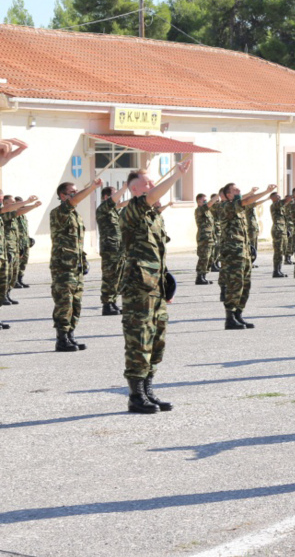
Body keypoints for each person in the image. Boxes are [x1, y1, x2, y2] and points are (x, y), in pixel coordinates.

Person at [121, 161, 191, 413]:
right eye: (147, 183)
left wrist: (166, 282)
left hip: (155, 288)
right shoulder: (131, 211)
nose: (152, 186)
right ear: (134, 189)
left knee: (157, 340)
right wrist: (177, 176)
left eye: (152, 182)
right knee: (139, 340)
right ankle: (135, 395)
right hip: (138, 289)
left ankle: (148, 390)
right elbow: (152, 196)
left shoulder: (154, 216)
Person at [51, 177, 101, 351]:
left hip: (76, 266)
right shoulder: (59, 212)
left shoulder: (75, 215)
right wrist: (92, 187)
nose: (75, 194)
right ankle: (61, 339)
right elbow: (75, 200)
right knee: (64, 303)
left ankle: (71, 335)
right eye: (71, 192)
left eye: (75, 191)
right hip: (62, 267)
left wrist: (83, 260)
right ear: (62, 196)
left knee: (75, 303)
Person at [220, 183, 277, 330]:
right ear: (228, 195)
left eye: (239, 189)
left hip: (243, 253)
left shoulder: (239, 209)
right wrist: (266, 191)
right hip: (233, 254)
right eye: (235, 190)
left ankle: (238, 314)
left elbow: (248, 202)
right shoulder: (227, 206)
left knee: (245, 285)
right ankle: (230, 318)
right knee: (235, 285)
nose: (239, 191)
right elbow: (245, 201)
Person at [96, 183, 130, 315]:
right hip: (110, 249)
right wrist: (124, 188)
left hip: (119, 248)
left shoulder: (115, 211)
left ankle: (112, 302)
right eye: (115, 195)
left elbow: (123, 204)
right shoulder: (103, 209)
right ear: (106, 197)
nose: (119, 198)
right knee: (109, 277)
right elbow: (116, 202)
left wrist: (140, 197)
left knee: (117, 277)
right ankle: (106, 304)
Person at [194, 194, 218, 285]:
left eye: (205, 200)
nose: (205, 202)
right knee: (204, 257)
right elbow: (209, 204)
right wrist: (218, 195)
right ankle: (199, 277)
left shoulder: (208, 212)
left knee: (209, 258)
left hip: (210, 237)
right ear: (198, 201)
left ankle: (204, 276)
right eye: (203, 200)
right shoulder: (199, 210)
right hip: (203, 238)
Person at [270, 192, 290, 278]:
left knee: (282, 251)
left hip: (283, 230)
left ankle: (279, 270)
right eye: (277, 195)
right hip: (278, 230)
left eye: (279, 195)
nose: (279, 196)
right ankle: (276, 271)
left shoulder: (281, 207)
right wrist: (291, 197)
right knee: (278, 251)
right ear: (272, 198)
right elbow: (284, 201)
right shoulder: (274, 205)